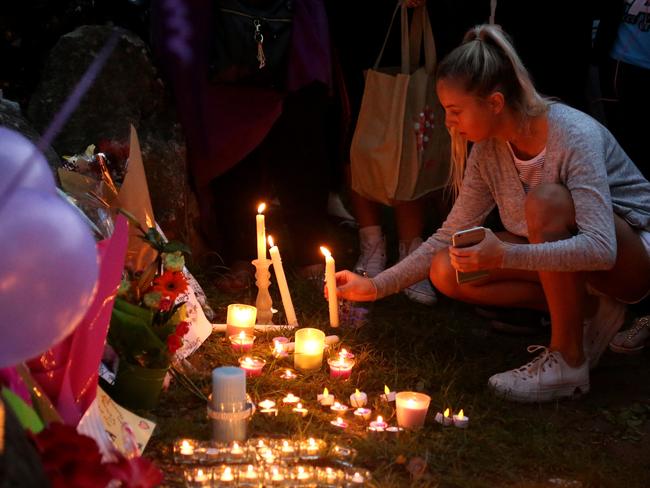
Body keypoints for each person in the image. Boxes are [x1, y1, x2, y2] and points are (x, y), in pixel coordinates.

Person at [332, 24, 650, 403]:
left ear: (495, 103)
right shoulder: (489, 150)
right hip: (583, 261)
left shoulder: (572, 136)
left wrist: (504, 254)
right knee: (447, 267)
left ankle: (567, 361)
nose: (449, 123)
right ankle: (593, 311)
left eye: (454, 111)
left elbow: (601, 249)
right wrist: (376, 285)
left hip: (632, 259)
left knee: (545, 202)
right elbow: (447, 234)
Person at [151, 0, 334, 291]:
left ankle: (309, 250)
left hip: (292, 18)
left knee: (301, 129)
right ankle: (242, 253)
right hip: (220, 24)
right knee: (231, 137)